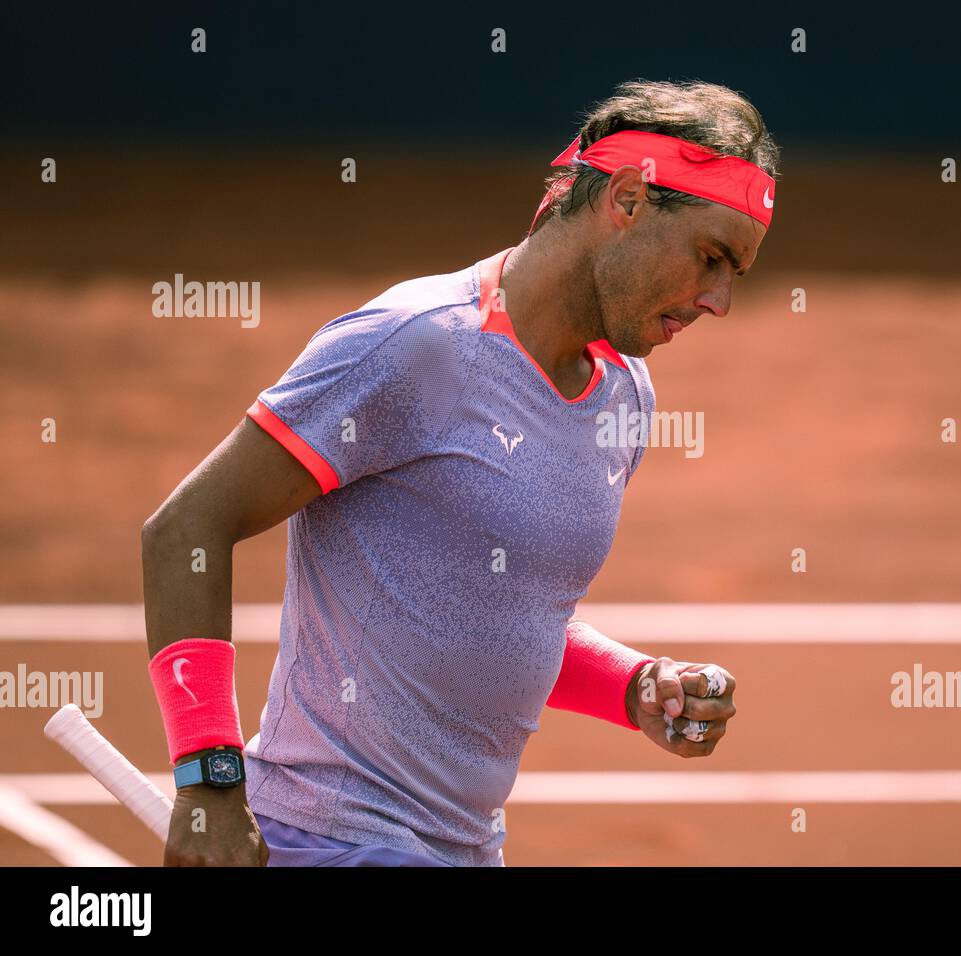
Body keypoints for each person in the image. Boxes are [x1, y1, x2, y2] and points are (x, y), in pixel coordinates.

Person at [140, 78, 778, 866]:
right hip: (338, 837)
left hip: (467, 849)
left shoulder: (624, 395)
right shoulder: (417, 344)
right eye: (710, 258)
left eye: (733, 275)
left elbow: (496, 611)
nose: (717, 300)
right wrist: (207, 782)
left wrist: (634, 684)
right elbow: (187, 528)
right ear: (628, 197)